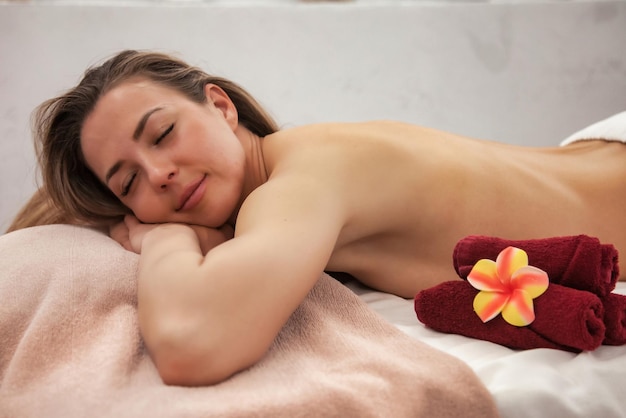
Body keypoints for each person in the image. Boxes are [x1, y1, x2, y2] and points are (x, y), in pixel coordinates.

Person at [9, 50, 626, 386]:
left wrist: (165, 238)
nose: (159, 173)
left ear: (220, 106)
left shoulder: (304, 181)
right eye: (129, 182)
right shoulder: (292, 174)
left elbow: (192, 345)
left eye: (164, 133)